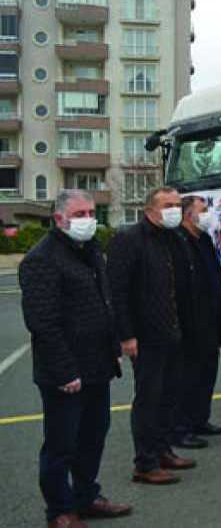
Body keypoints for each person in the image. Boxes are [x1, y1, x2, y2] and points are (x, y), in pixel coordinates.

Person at [20, 190, 132, 527]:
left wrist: (114, 349)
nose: (88, 220)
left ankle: (86, 496)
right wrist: (65, 371)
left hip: (97, 365)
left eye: (91, 213)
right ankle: (60, 511)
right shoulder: (42, 259)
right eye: (80, 214)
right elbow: (43, 322)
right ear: (59, 219)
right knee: (61, 444)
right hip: (65, 372)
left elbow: (105, 303)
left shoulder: (91, 250)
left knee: (93, 436)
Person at [107, 186, 194, 485]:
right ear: (149, 210)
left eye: (177, 204)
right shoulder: (129, 239)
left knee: (170, 395)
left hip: (173, 331)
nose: (175, 210)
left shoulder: (174, 238)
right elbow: (117, 291)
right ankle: (145, 463)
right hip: (146, 335)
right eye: (168, 205)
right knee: (149, 398)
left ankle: (162, 450)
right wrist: (126, 335)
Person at [171, 196, 221, 449]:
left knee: (207, 373)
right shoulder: (177, 242)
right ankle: (180, 429)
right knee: (188, 378)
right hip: (190, 322)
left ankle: (200, 420)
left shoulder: (204, 239)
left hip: (210, 319)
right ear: (188, 215)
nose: (208, 214)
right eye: (203, 210)